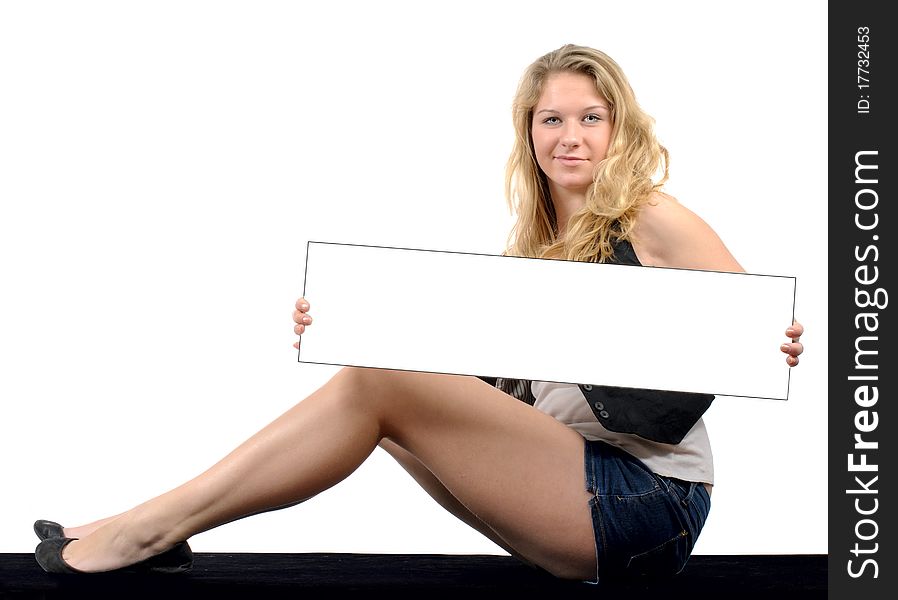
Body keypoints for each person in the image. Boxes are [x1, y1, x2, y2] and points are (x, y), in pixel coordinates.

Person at [34, 44, 804, 582]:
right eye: (552, 119)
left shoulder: (648, 214)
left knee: (378, 381)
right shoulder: (535, 248)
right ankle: (147, 522)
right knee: (375, 388)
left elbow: (750, 327)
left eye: (591, 117)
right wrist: (340, 321)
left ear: (619, 127)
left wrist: (784, 341)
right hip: (574, 488)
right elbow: (473, 389)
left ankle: (146, 530)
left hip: (645, 501)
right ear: (528, 133)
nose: (570, 136)